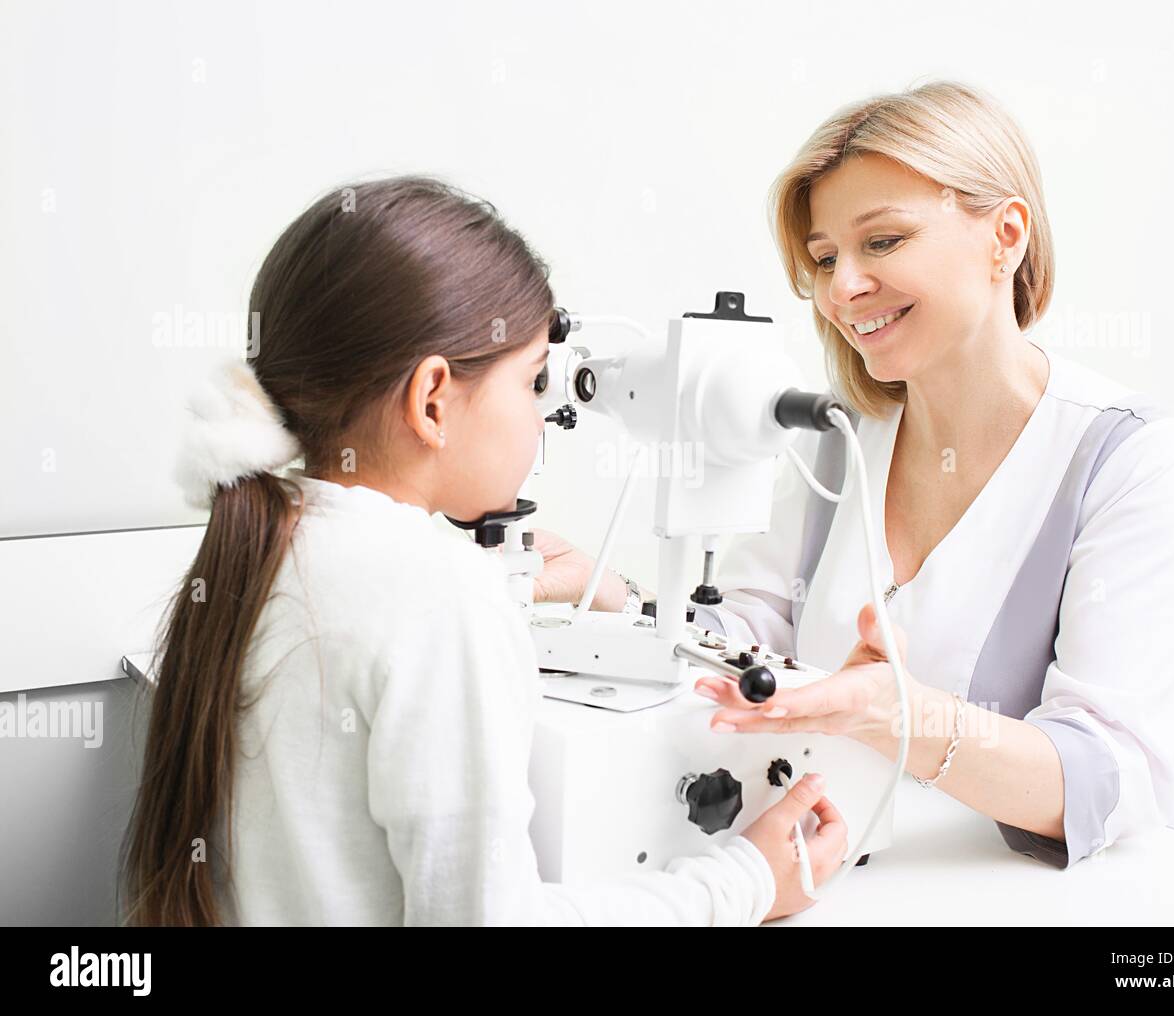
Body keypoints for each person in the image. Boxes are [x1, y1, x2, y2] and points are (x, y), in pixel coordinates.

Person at [541, 81, 1174, 870]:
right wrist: (617, 598)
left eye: (884, 242)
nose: (841, 289)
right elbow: (750, 636)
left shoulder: (1134, 461)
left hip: (1114, 889)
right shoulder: (839, 437)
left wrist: (901, 717)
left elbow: (1107, 779)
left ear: (1006, 235)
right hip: (889, 867)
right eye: (826, 257)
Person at [122, 175, 847, 926]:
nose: (541, 419)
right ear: (433, 399)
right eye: (534, 382)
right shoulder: (437, 593)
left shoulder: (270, 532)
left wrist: (594, 594)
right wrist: (747, 881)